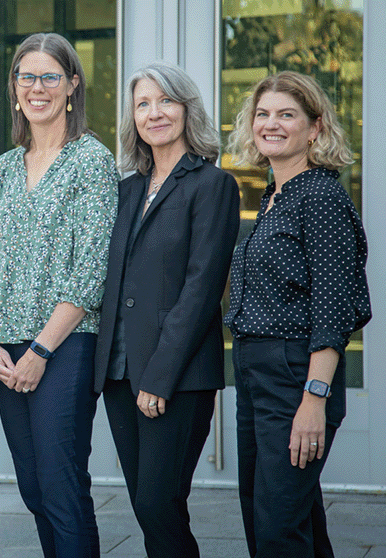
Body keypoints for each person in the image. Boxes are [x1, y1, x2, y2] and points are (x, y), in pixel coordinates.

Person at [0, 33, 117, 557]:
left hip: (66, 344)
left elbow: (90, 270)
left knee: (61, 487)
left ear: (72, 85)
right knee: (34, 489)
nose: (38, 87)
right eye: (26, 77)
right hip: (6, 347)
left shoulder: (91, 160)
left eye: (50, 76)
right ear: (14, 90)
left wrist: (40, 350)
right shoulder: (5, 167)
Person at [92, 62, 240, 558]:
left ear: (186, 109)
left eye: (166, 101)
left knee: (159, 503)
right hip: (118, 373)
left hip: (174, 377)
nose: (154, 113)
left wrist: (158, 375)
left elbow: (202, 288)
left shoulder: (212, 185)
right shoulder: (127, 188)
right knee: (147, 504)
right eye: (143, 104)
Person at [225, 71, 371, 557]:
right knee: (284, 519)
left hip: (295, 378)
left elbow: (334, 310)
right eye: (263, 114)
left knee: (277, 531)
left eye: (286, 114)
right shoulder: (273, 197)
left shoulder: (321, 197)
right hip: (257, 375)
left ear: (315, 127)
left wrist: (314, 399)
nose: (271, 124)